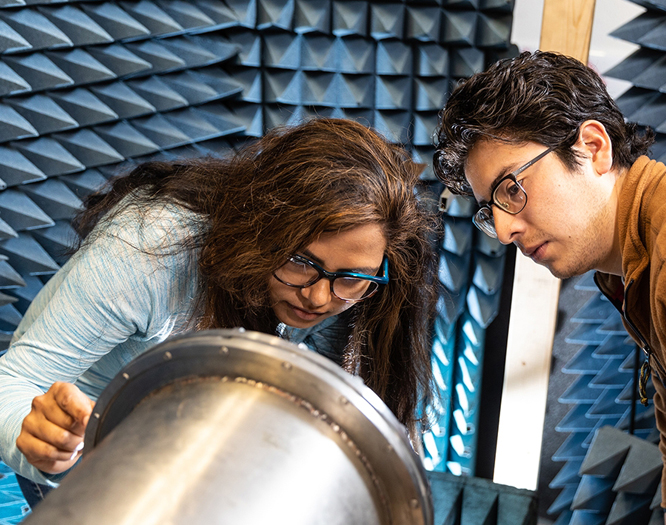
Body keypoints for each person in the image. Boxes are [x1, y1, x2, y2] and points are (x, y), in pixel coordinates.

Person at [0, 117, 439, 508]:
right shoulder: (149, 251)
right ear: (259, 231)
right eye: (301, 262)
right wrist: (38, 438)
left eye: (350, 278)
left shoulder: (359, 279)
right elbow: (12, 381)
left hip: (195, 447)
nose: (321, 299)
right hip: (89, 454)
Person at [433, 50, 666, 525]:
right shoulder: (634, 265)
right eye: (488, 210)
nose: (502, 231)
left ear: (593, 147)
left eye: (511, 188)